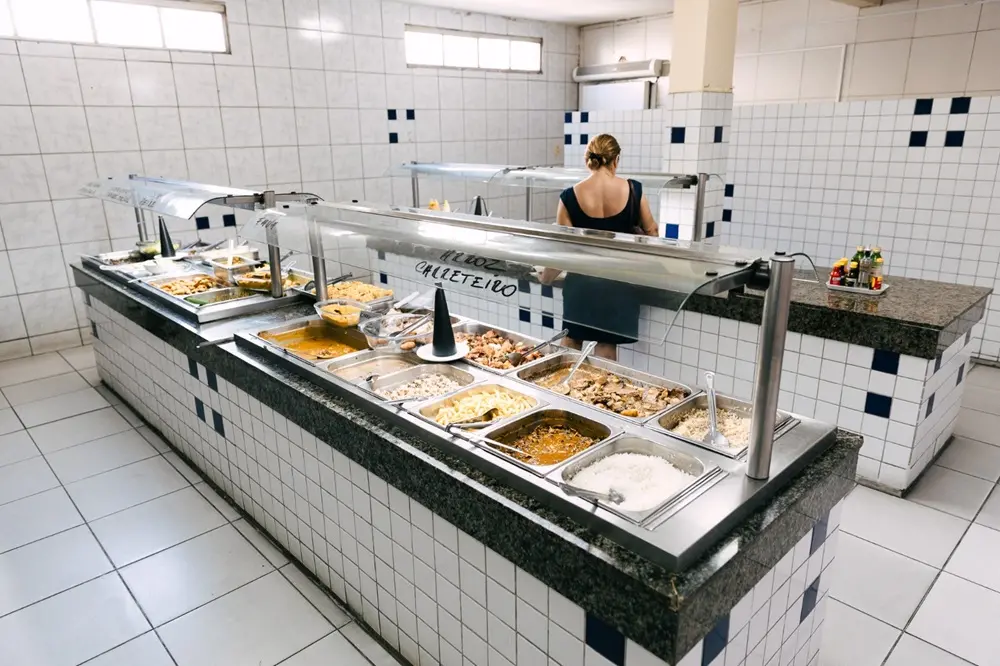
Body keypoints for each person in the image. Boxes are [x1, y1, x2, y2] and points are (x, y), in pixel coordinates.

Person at [542, 134, 659, 361]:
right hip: (618, 283)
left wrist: (546, 276)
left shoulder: (569, 196)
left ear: (589, 159)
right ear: (615, 160)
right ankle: (597, 397)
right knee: (606, 348)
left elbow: (563, 248)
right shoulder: (634, 191)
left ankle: (565, 394)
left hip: (582, 284)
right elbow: (652, 233)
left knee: (572, 342)